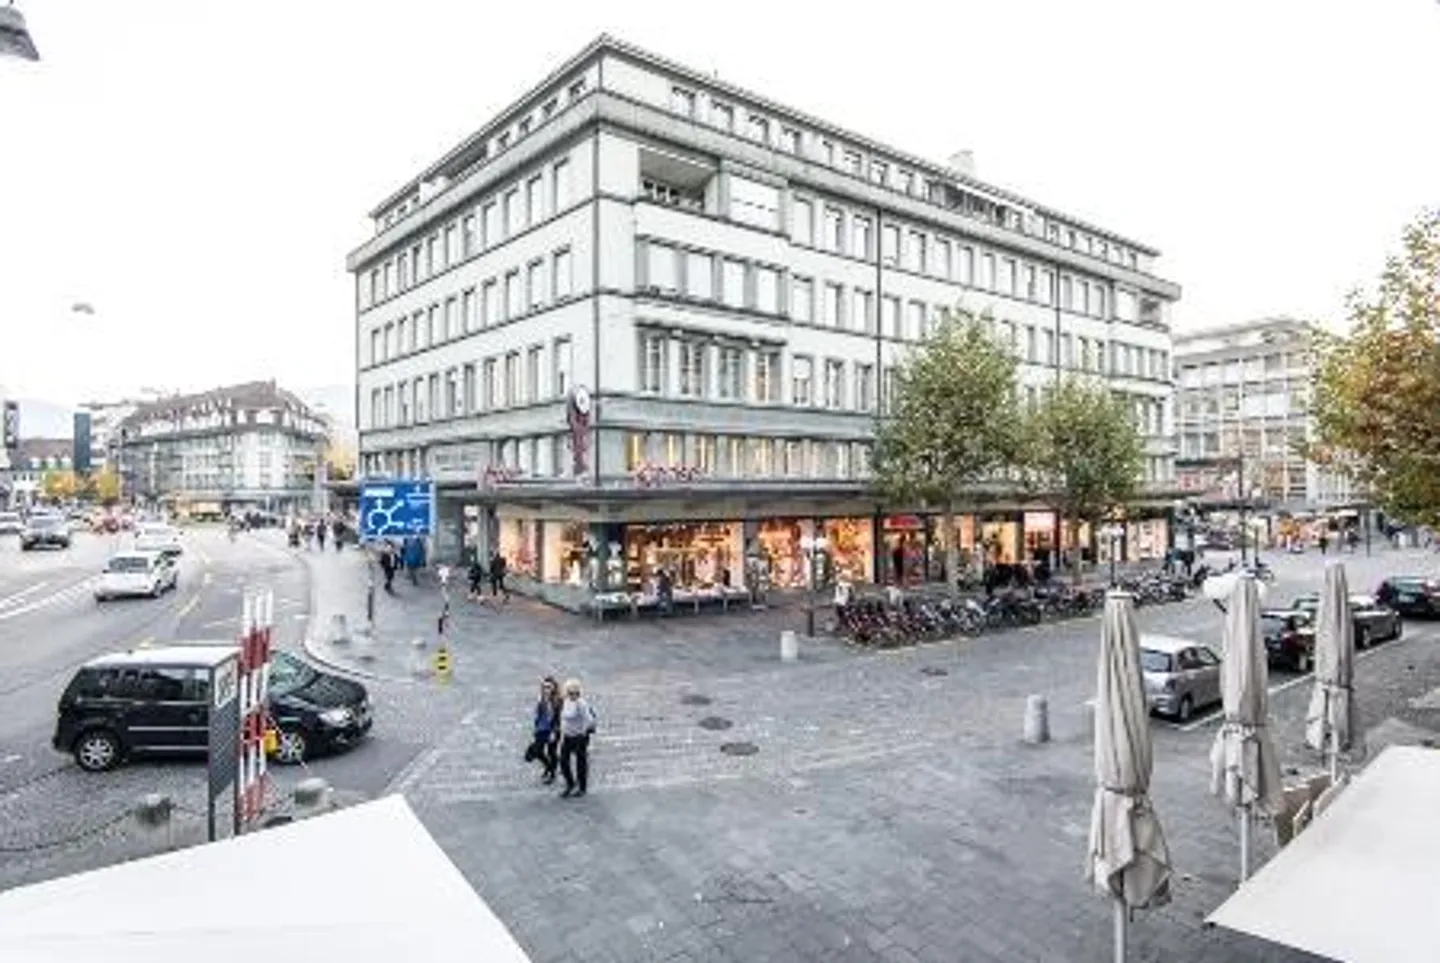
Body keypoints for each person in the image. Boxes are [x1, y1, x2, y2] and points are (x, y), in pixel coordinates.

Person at [557, 678, 597, 798]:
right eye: (570, 692)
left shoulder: (581, 704)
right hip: (568, 736)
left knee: (581, 762)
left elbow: (589, 720)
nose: (573, 695)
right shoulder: (566, 701)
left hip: (579, 737)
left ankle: (582, 787)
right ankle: (570, 783)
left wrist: (583, 732)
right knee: (563, 760)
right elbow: (563, 717)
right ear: (567, 692)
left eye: (576, 692)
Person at [529, 677, 563, 784]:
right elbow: (539, 715)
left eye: (548, 687)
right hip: (541, 729)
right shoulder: (541, 699)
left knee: (551, 752)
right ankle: (549, 767)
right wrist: (536, 727)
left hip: (553, 730)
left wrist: (554, 732)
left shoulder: (558, 701)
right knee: (536, 751)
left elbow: (559, 718)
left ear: (554, 688)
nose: (545, 689)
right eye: (544, 687)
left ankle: (552, 774)